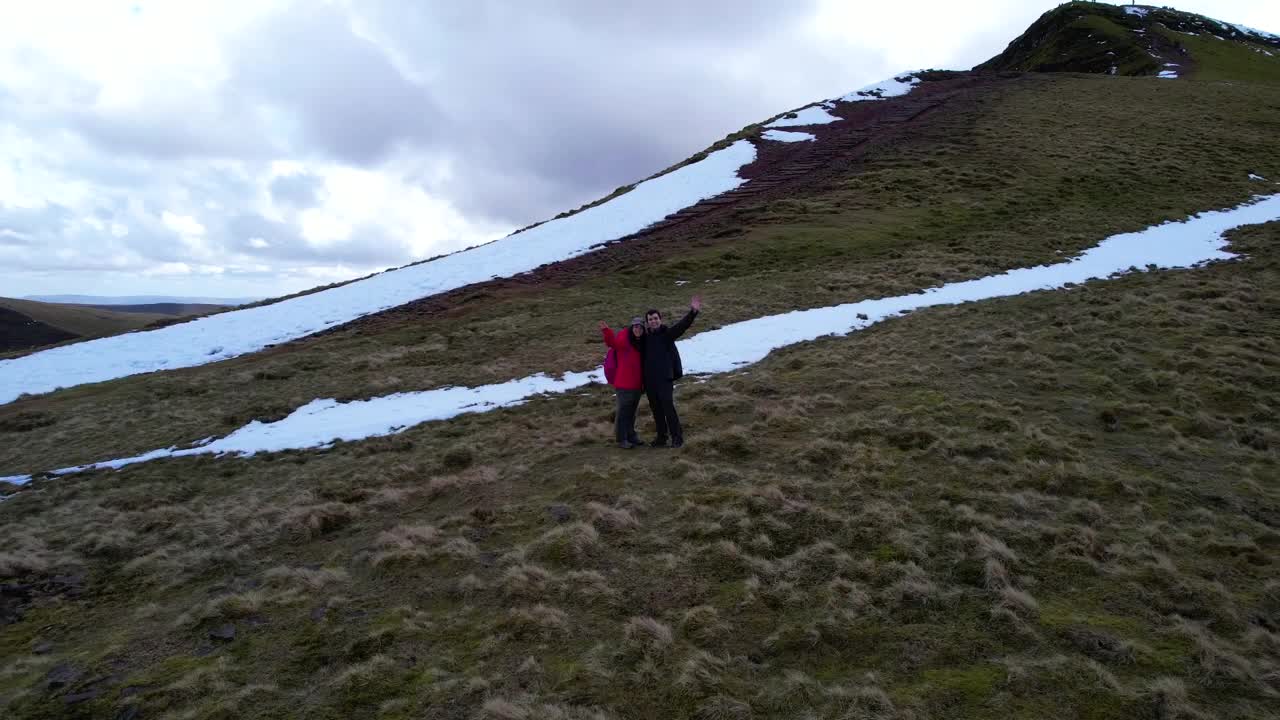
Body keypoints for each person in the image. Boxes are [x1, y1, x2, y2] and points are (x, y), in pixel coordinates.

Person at [631, 296, 701, 448]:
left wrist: (693, 312)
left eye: (655, 318)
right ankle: (661, 438)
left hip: (664, 379)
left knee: (668, 408)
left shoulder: (667, 334)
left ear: (660, 319)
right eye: (650, 319)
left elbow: (682, 326)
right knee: (656, 410)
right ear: (647, 322)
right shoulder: (645, 338)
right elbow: (632, 336)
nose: (653, 321)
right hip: (649, 381)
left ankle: (677, 438)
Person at [598, 316, 646, 449]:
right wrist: (607, 331)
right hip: (624, 384)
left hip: (637, 385)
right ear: (632, 327)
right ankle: (621, 439)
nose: (637, 329)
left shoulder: (643, 342)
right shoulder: (624, 339)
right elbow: (611, 343)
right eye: (635, 326)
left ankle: (631, 435)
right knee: (623, 412)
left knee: (632, 412)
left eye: (640, 327)